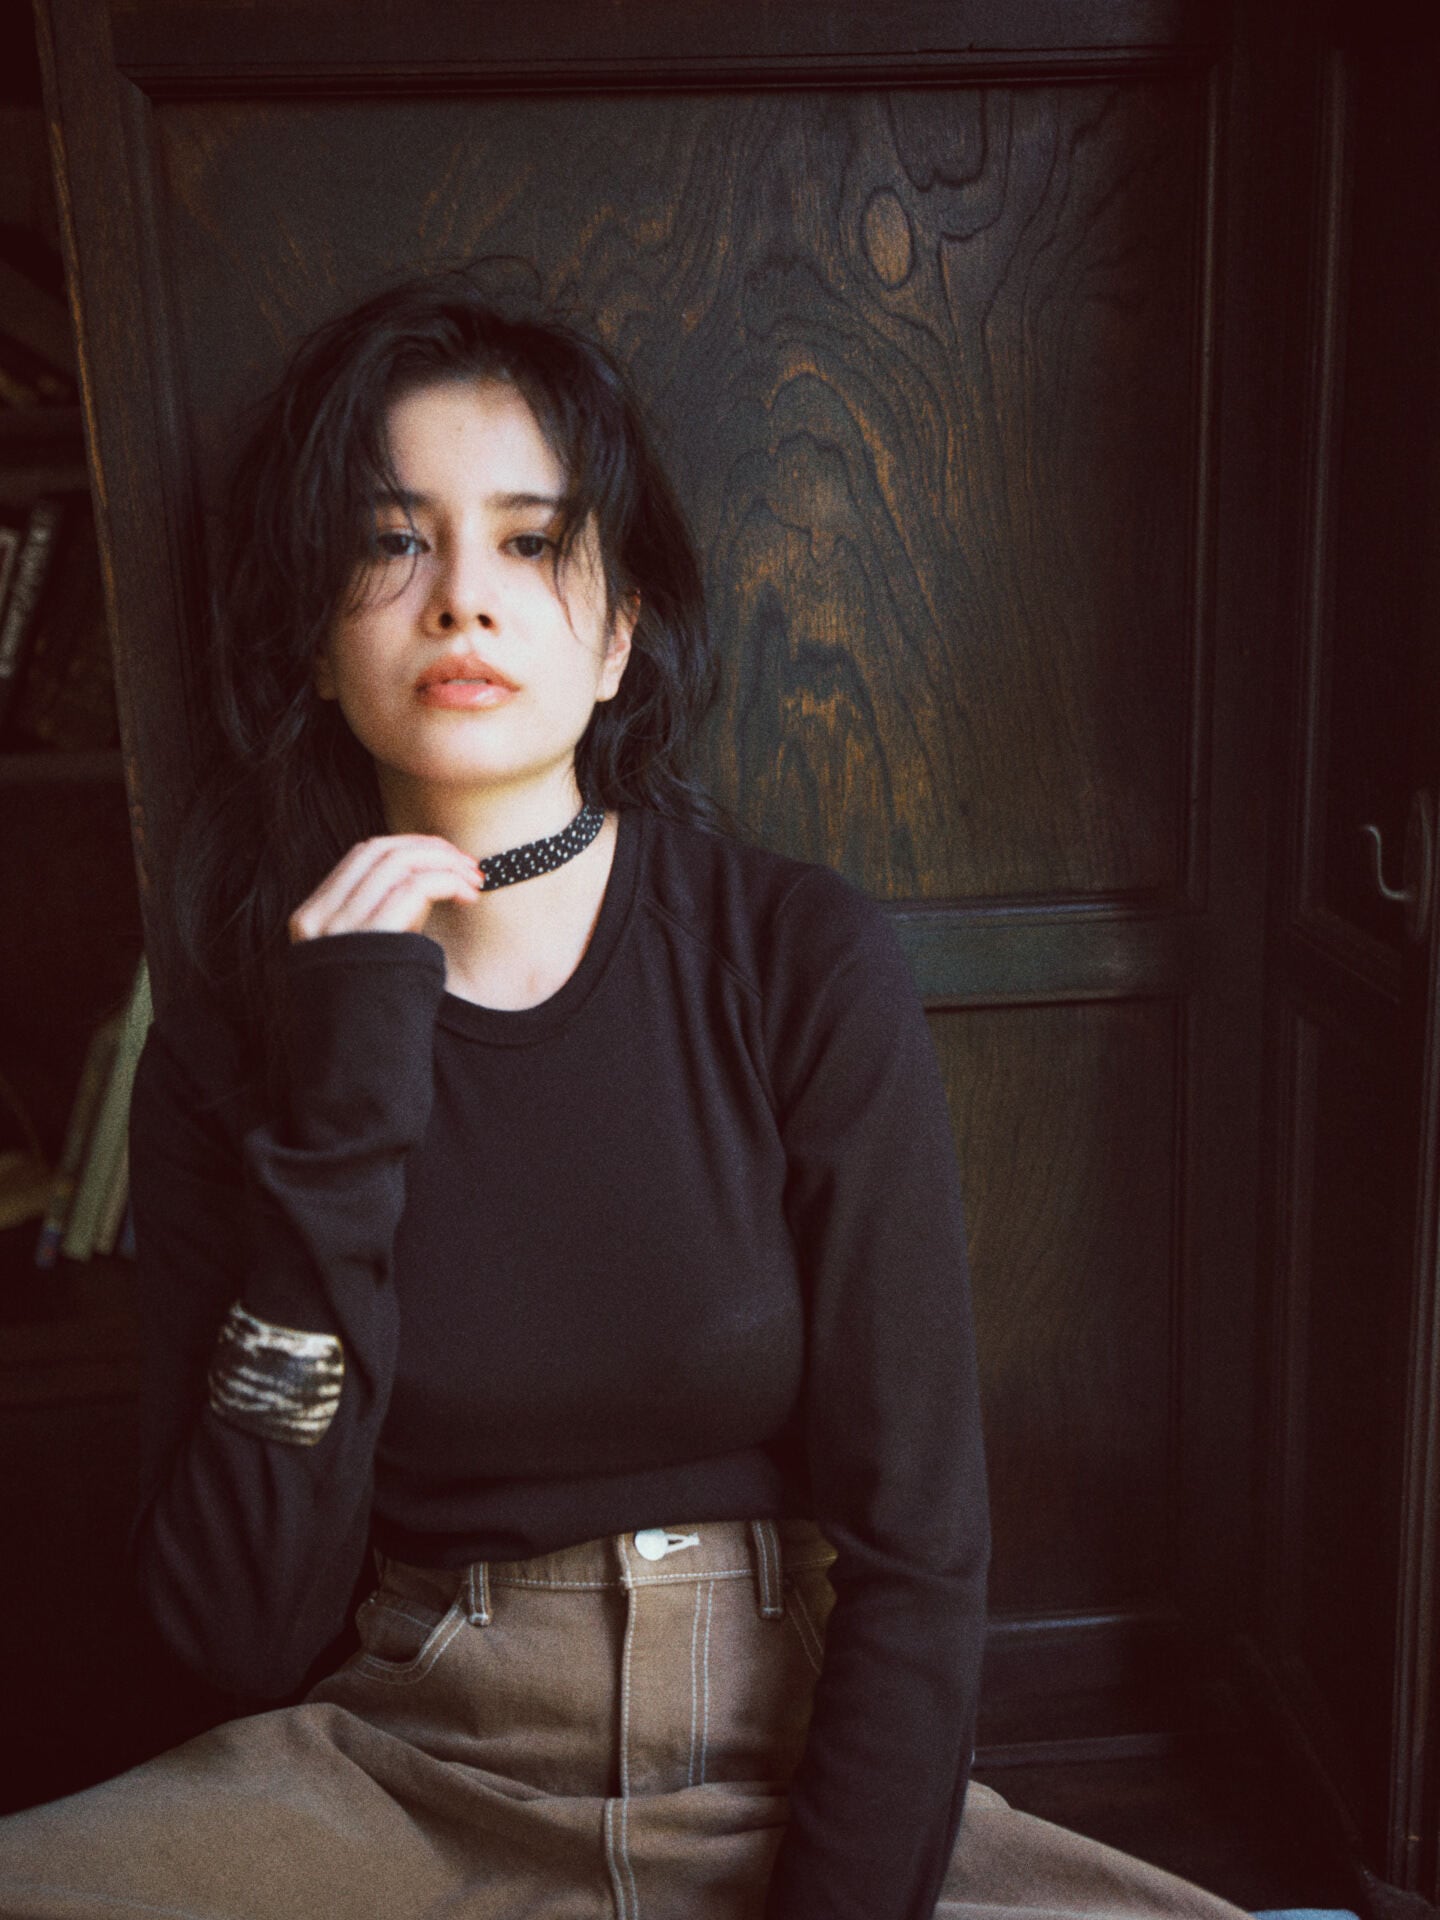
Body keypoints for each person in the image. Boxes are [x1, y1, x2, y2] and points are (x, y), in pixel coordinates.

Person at [0, 274, 1254, 1920]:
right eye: (391, 545)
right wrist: (341, 1114)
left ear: (618, 635)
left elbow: (921, 1549)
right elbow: (236, 1626)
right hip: (416, 1778)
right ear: (311, 638)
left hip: (792, 1762)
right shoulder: (236, 1043)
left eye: (530, 542)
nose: (463, 600)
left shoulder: (796, 956)